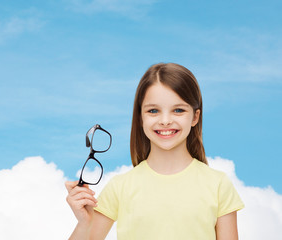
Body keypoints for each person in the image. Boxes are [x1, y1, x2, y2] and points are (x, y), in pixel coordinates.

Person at [65, 63, 244, 239]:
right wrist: (84, 223)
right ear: (140, 117)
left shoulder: (218, 185)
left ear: (195, 117)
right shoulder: (120, 187)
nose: (165, 121)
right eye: (153, 111)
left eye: (178, 110)